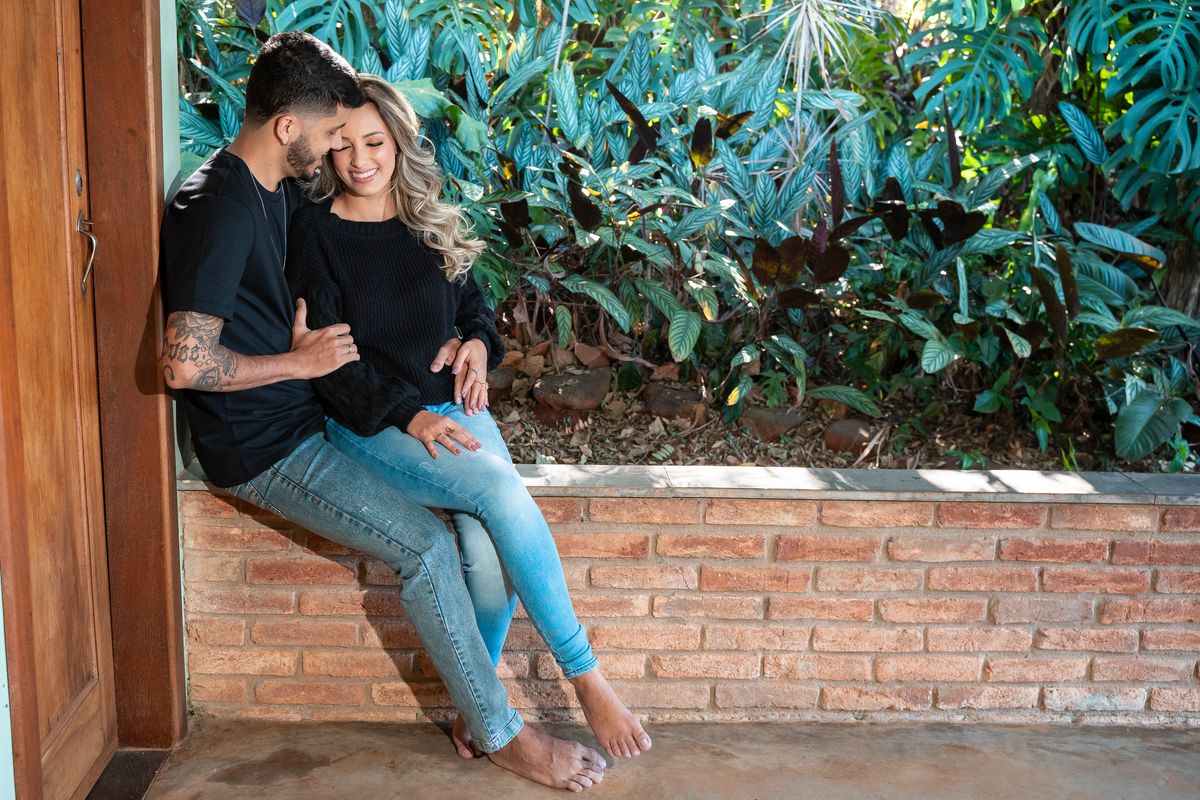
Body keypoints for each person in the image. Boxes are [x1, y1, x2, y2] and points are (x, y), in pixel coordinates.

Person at [159, 31, 606, 792]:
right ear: (289, 129)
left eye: (360, 137)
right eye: (334, 135)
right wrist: (303, 365)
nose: (346, 150)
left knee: (478, 533)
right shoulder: (222, 208)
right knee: (430, 548)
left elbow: (443, 279)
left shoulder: (270, 188)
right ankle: (509, 733)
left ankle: (485, 705)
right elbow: (181, 362)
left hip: (302, 417)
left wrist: (471, 339)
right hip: (267, 445)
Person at [283, 74, 652, 762]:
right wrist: (412, 419)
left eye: (375, 141)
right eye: (344, 147)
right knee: (499, 492)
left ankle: (479, 710)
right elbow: (330, 363)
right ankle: (589, 679)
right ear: (328, 155)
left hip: (454, 407)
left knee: (486, 553)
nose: (360, 160)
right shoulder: (316, 234)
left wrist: (477, 345)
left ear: (398, 142)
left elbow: (475, 312)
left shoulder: (427, 220)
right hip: (372, 423)